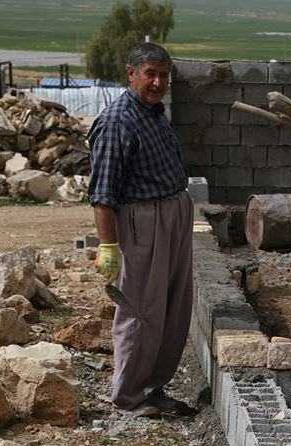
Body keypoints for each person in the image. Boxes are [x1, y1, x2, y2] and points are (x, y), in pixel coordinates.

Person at [88, 42, 195, 419]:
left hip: (171, 217)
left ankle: (152, 388)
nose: (157, 82)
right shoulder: (117, 121)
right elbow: (103, 195)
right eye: (150, 73)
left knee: (172, 307)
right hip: (143, 224)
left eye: (164, 75)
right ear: (131, 74)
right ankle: (128, 399)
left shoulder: (152, 113)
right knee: (140, 311)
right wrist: (109, 248)